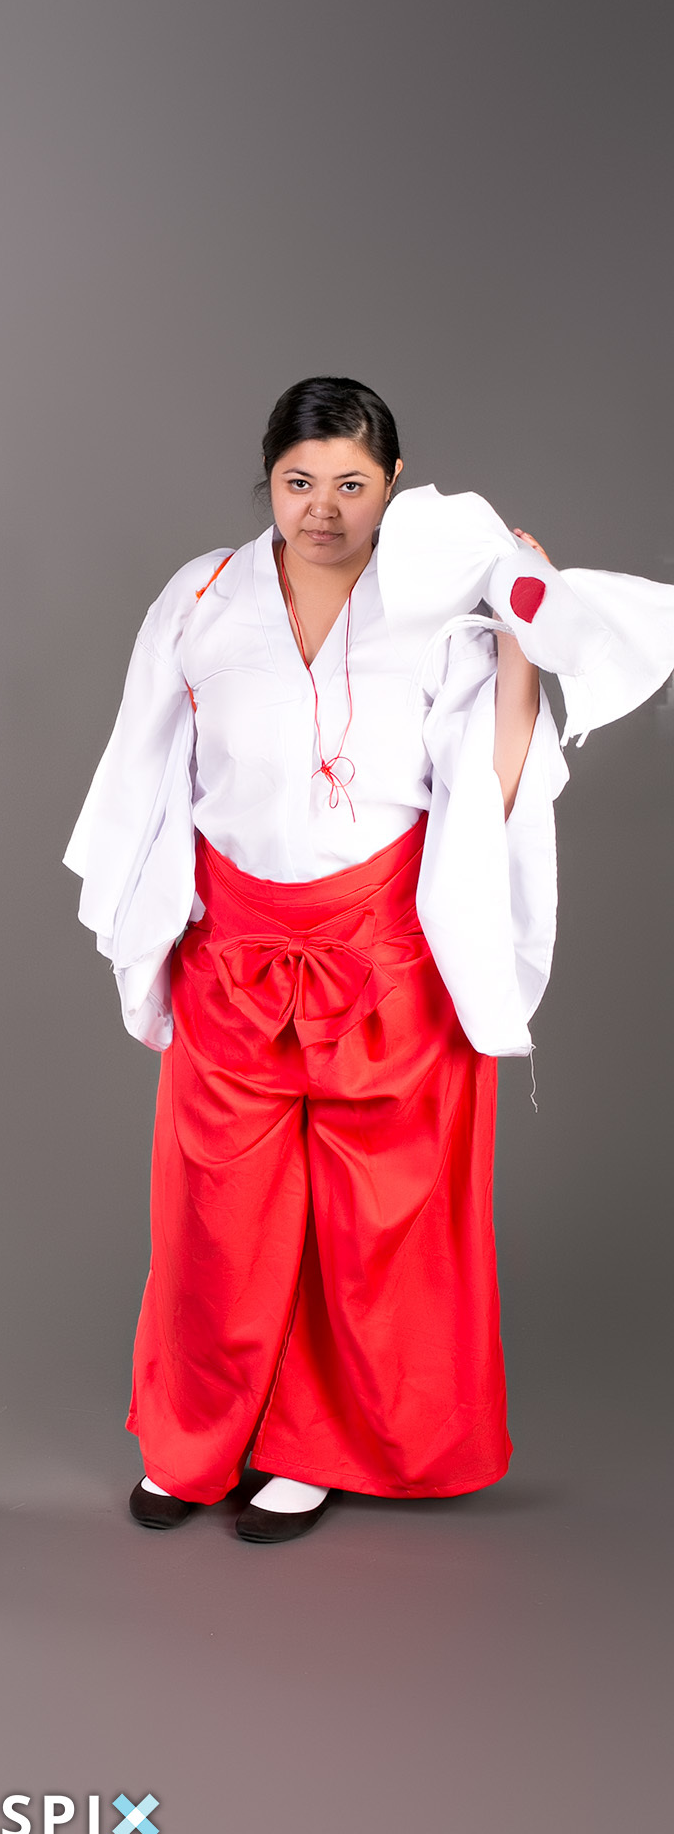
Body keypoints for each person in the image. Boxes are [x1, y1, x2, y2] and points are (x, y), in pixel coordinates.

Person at [66, 375, 674, 1544]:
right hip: (233, 950)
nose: (322, 510)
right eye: (297, 482)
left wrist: (517, 646)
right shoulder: (201, 596)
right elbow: (141, 767)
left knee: (368, 1221)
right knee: (216, 1218)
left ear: (393, 482)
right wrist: (145, 920)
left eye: (351, 483)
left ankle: (310, 1450)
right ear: (266, 479)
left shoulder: (438, 607)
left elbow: (488, 786)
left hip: (383, 956)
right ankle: (194, 1441)